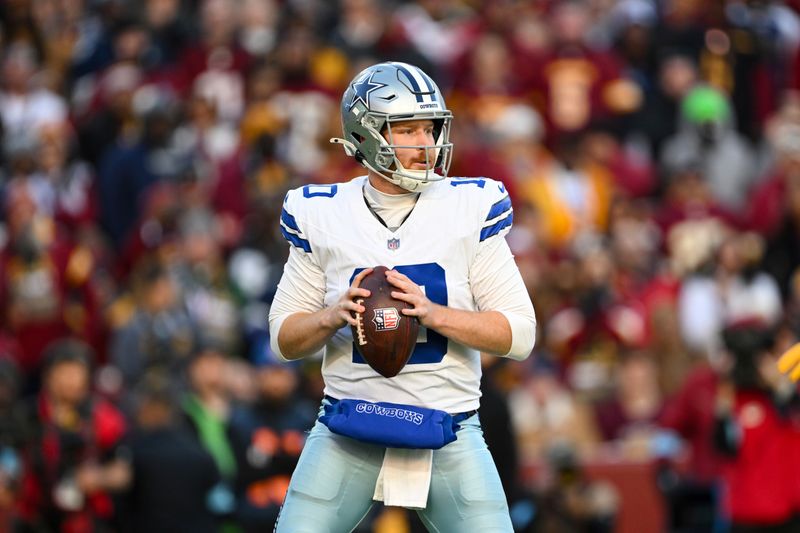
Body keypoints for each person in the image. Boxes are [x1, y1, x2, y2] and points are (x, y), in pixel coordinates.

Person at [268, 61, 537, 532]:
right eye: (407, 130)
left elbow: (520, 335)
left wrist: (433, 314)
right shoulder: (322, 214)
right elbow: (283, 340)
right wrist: (331, 316)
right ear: (367, 135)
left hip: (449, 430)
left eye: (430, 129)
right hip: (347, 430)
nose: (426, 145)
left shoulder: (469, 207)